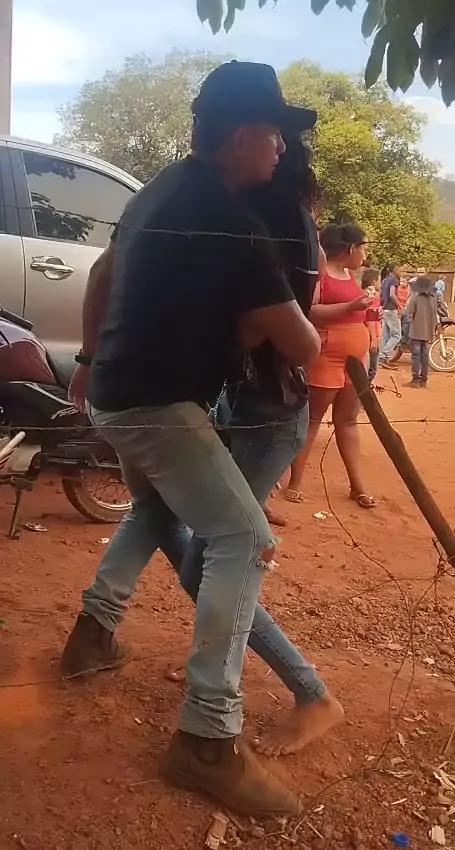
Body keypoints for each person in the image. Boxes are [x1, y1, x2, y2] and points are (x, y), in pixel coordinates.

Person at [62, 60, 321, 818]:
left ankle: (93, 635)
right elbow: (303, 347)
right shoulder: (238, 228)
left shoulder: (157, 192)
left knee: (156, 512)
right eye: (274, 133)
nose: (281, 148)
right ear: (241, 137)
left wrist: (88, 359)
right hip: (159, 405)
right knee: (244, 537)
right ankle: (208, 738)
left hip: (114, 396)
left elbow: (103, 277)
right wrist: (251, 317)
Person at [285, 223, 376, 508]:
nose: (365, 255)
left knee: (348, 420)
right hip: (326, 357)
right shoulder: (320, 274)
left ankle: (357, 485)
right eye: (363, 248)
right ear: (350, 248)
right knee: (312, 420)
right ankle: (295, 481)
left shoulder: (351, 276)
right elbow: (310, 313)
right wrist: (351, 307)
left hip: (354, 363)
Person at [406, 275, 437, 388]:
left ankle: (415, 379)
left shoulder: (416, 296)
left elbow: (410, 312)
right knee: (425, 355)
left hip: (416, 330)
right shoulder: (432, 298)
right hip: (428, 331)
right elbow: (434, 314)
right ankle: (424, 380)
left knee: (416, 355)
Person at [379, 263, 402, 369]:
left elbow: (382, 295)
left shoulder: (385, 280)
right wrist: (399, 306)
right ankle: (384, 355)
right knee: (397, 335)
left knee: (386, 335)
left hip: (385, 309)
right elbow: (392, 294)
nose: (400, 273)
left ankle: (383, 359)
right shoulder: (394, 280)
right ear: (394, 270)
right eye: (399, 270)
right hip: (392, 310)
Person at [360, 268, 381, 384]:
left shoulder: (362, 292)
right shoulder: (372, 294)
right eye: (379, 280)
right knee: (371, 369)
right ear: (374, 281)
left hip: (363, 334)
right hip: (370, 335)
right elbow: (370, 319)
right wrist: (374, 340)